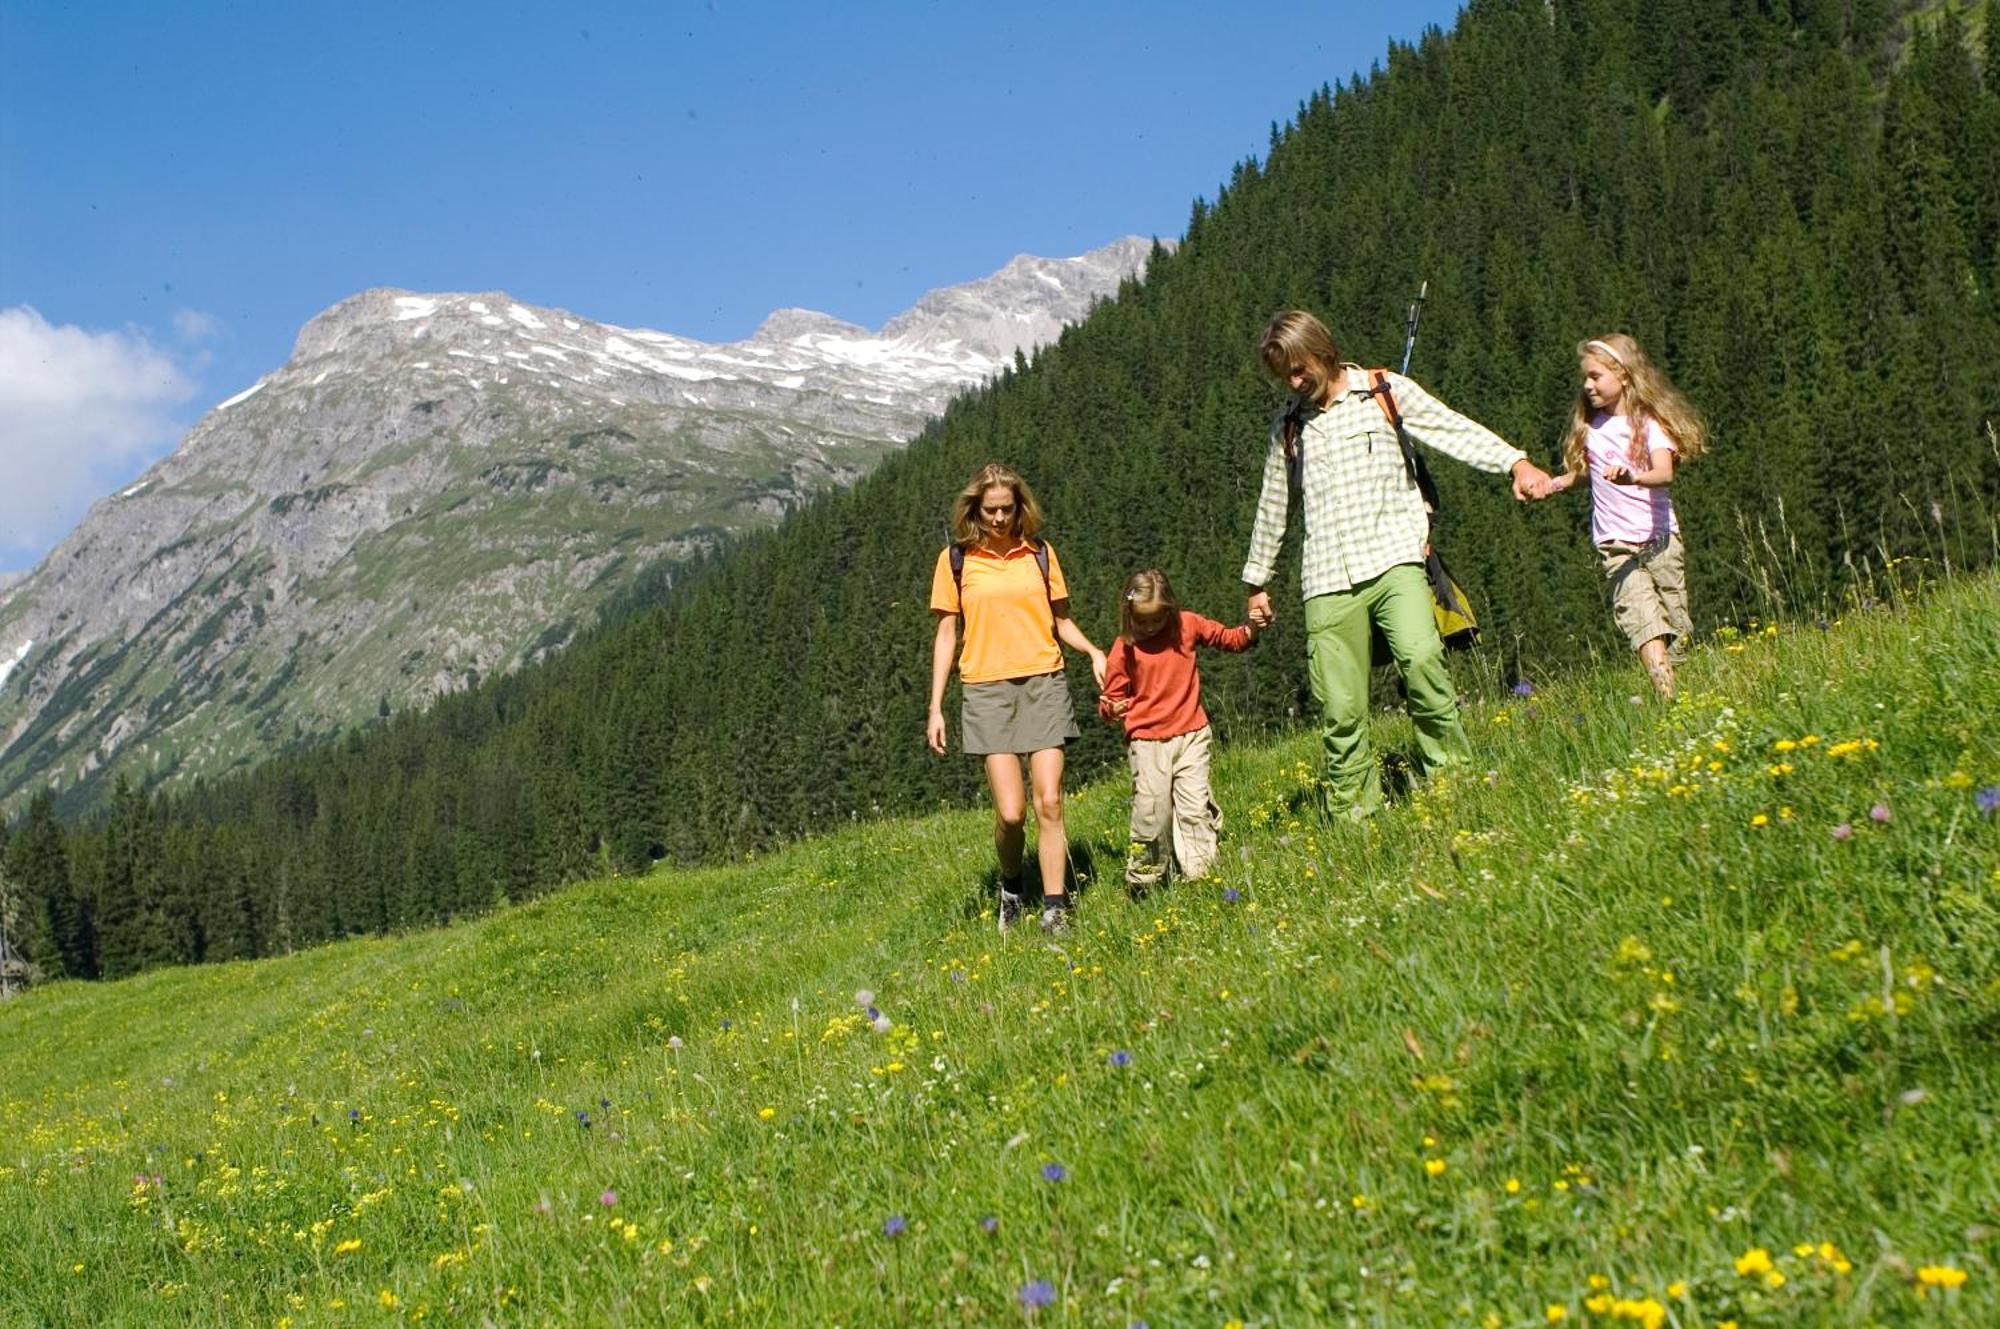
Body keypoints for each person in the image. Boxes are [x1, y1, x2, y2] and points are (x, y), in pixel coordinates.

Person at [1241, 309, 1552, 818]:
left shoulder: (1385, 391)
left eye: (1300, 368)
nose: (1295, 382)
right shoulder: (1289, 428)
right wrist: (1257, 582)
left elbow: (1454, 429)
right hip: (1326, 579)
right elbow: (1273, 506)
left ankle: (1454, 785)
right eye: (1285, 375)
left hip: (1395, 559)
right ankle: (1355, 817)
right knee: (1340, 710)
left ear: (1323, 350)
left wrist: (1515, 463)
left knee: (1424, 664)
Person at [927, 463, 1107, 936]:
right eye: (991, 511)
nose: (1000, 519)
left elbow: (1061, 619)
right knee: (1011, 812)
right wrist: (935, 706)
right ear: (974, 510)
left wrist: (1092, 651)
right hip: (986, 688)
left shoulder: (1040, 554)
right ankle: (1012, 887)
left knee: (1050, 801)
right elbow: (947, 633)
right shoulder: (957, 560)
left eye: (1008, 509)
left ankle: (1054, 908)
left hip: (1044, 682)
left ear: (1020, 507)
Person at [1542, 333, 1707, 700]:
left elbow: (1664, 473)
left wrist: (1633, 476)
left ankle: (1678, 688)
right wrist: (1555, 484)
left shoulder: (1648, 425)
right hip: (1615, 544)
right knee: (1642, 622)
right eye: (1586, 377)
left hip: (1660, 541)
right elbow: (1592, 473)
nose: (1588, 385)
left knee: (1676, 627)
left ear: (1625, 377)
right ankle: (1668, 699)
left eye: (1596, 376)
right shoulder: (1592, 427)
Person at [1097, 568, 1258, 894]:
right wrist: (1112, 709)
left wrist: (1253, 627)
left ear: (1170, 609)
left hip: (1192, 734)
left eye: (1157, 619)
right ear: (1129, 617)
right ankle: (1144, 881)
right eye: (1142, 622)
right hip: (1147, 742)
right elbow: (1111, 699)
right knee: (1152, 813)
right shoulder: (1124, 648)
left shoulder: (1187, 625)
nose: (1150, 627)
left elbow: (1229, 639)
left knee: (1193, 808)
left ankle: (1202, 876)